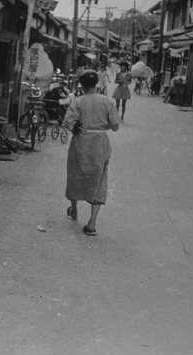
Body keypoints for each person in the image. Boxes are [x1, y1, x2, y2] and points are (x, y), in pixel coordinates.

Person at [63, 70, 121, 236]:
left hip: (80, 143)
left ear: (81, 85)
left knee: (74, 175)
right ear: (96, 84)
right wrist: (102, 127)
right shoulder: (107, 101)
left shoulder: (77, 101)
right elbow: (115, 125)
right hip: (99, 144)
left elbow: (68, 122)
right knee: (99, 180)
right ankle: (92, 223)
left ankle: (74, 209)